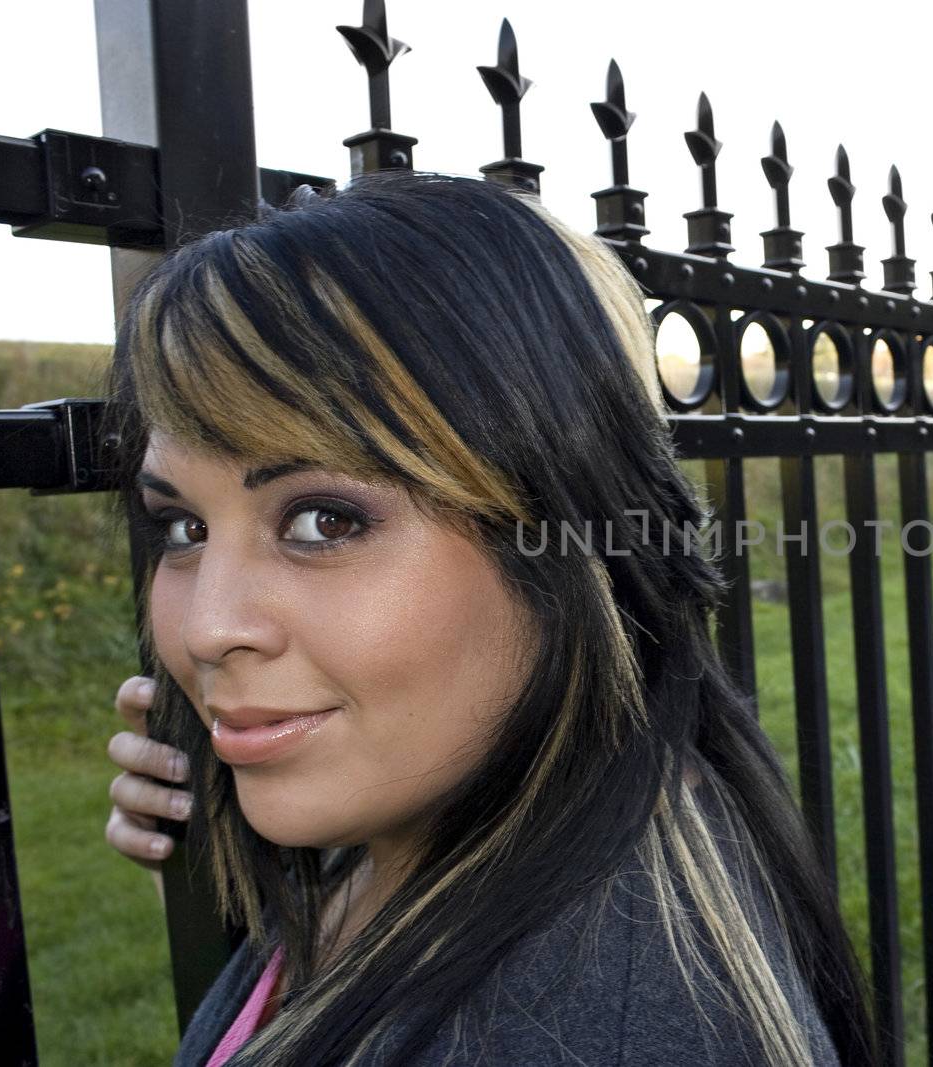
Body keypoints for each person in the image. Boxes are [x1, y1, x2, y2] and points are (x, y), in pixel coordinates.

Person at [97, 170, 874, 1066]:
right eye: (183, 527)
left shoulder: (579, 1030)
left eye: (325, 520)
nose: (207, 626)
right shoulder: (575, 816)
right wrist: (242, 879)